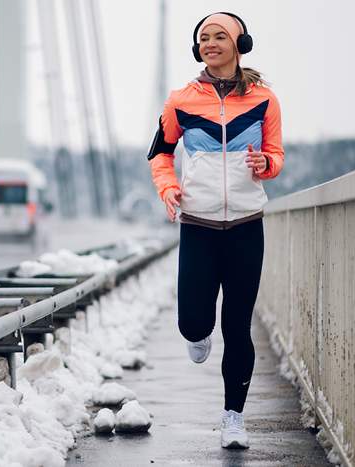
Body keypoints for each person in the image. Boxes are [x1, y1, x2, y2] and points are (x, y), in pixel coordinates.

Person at [146, 12, 284, 449]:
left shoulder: (265, 99)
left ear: (241, 44)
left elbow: (276, 154)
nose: (210, 42)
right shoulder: (180, 101)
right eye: (203, 37)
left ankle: (233, 418)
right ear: (196, 48)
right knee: (193, 322)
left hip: (246, 225)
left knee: (238, 325)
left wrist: (267, 165)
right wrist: (168, 188)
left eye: (220, 36)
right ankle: (195, 333)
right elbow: (160, 154)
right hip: (199, 226)